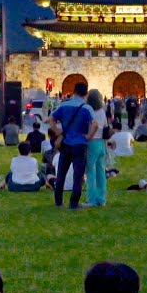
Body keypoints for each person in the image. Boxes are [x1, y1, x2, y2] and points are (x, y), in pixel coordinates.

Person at [51, 81, 92, 209]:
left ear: (74, 91)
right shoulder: (86, 108)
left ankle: (58, 201)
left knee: (61, 173)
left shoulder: (64, 105)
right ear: (86, 93)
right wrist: (89, 136)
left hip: (66, 144)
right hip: (80, 144)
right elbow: (95, 124)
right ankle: (73, 203)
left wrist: (57, 131)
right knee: (78, 174)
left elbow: (51, 118)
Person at [85, 89, 109, 207]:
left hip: (92, 142)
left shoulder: (88, 112)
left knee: (91, 172)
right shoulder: (102, 112)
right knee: (101, 171)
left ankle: (91, 199)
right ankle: (101, 198)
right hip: (101, 142)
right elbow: (106, 127)